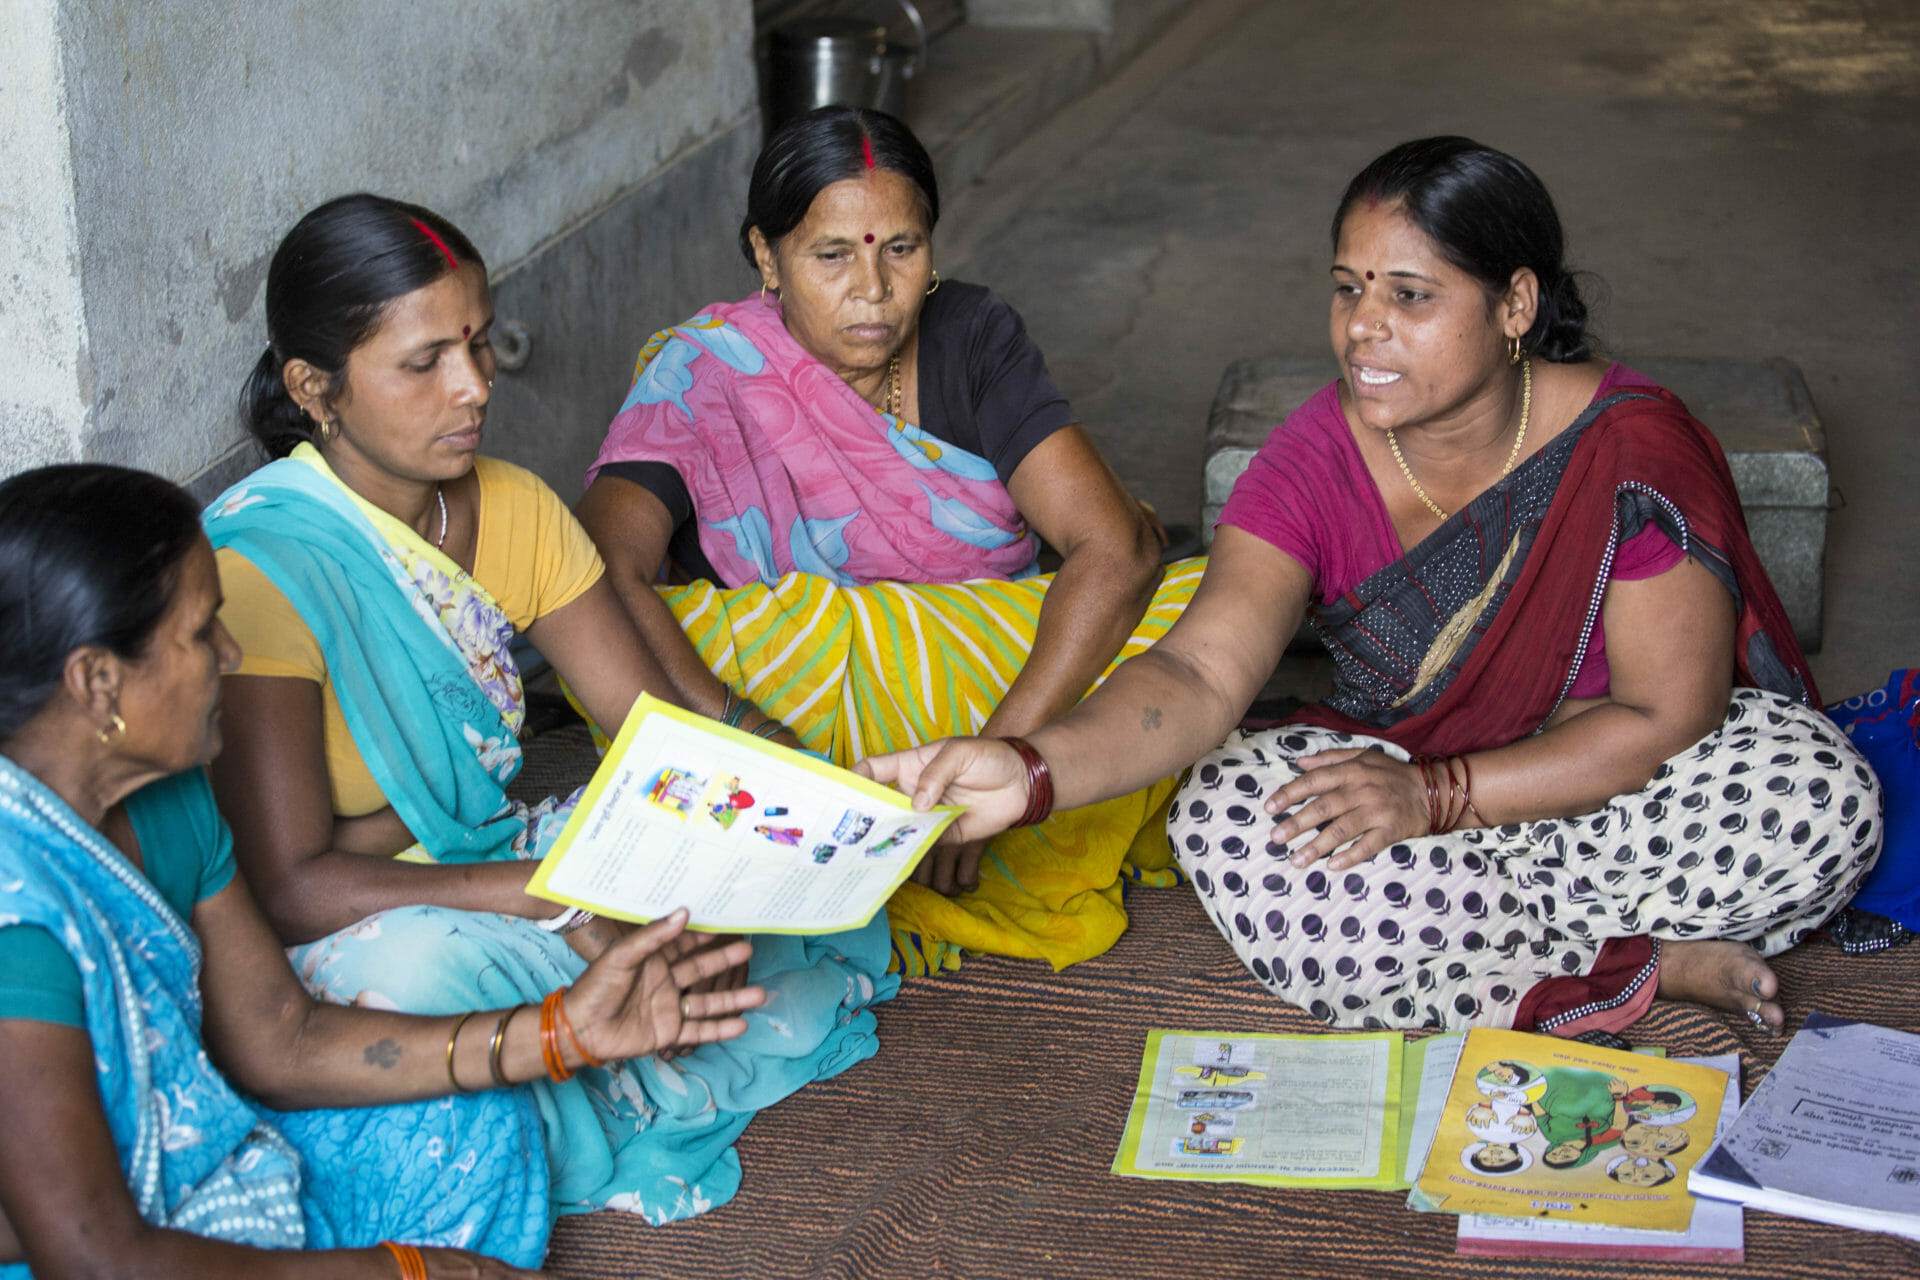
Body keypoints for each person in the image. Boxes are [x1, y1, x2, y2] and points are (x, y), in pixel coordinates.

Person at [860, 137, 1882, 1037]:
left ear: (1515, 304)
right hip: (1401, 790)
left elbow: (1670, 713)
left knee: (1819, 797)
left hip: (1602, 791)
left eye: (1411, 294)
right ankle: (1646, 960)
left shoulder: (1630, 450)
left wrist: (1439, 798)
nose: (1363, 328)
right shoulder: (1311, 459)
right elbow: (1202, 667)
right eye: (1348, 287)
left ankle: (1522, 961)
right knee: (1222, 809)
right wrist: (1031, 771)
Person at [207, 194, 896, 1225]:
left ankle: (595, 1032)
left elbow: (657, 732)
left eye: (479, 344)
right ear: (316, 387)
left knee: (738, 871)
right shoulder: (266, 563)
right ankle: (589, 1054)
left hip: (490, 853)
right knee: (423, 974)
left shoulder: (515, 505)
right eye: (425, 359)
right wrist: (550, 893)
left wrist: (817, 807)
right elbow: (292, 886)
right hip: (371, 919)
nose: (474, 386)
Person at [0, 464, 764, 1277]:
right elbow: (94, 1258)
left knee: (480, 1133)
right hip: (81, 1252)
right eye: (200, 633)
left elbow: (280, 1040)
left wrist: (560, 1032)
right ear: (97, 681)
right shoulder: (19, 912)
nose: (230, 652)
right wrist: (402, 1271)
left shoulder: (171, 796)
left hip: (205, 1164)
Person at [574, 106, 1204, 975]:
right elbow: (602, 569)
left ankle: (956, 807)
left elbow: (1116, 548)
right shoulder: (706, 370)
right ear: (766, 255)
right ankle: (840, 804)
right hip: (791, 709)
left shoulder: (974, 335)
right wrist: (747, 728)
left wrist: (1004, 756)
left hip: (990, 676)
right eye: (831, 255)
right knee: (645, 638)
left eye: (900, 249)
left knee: (1206, 610)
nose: (871, 288)